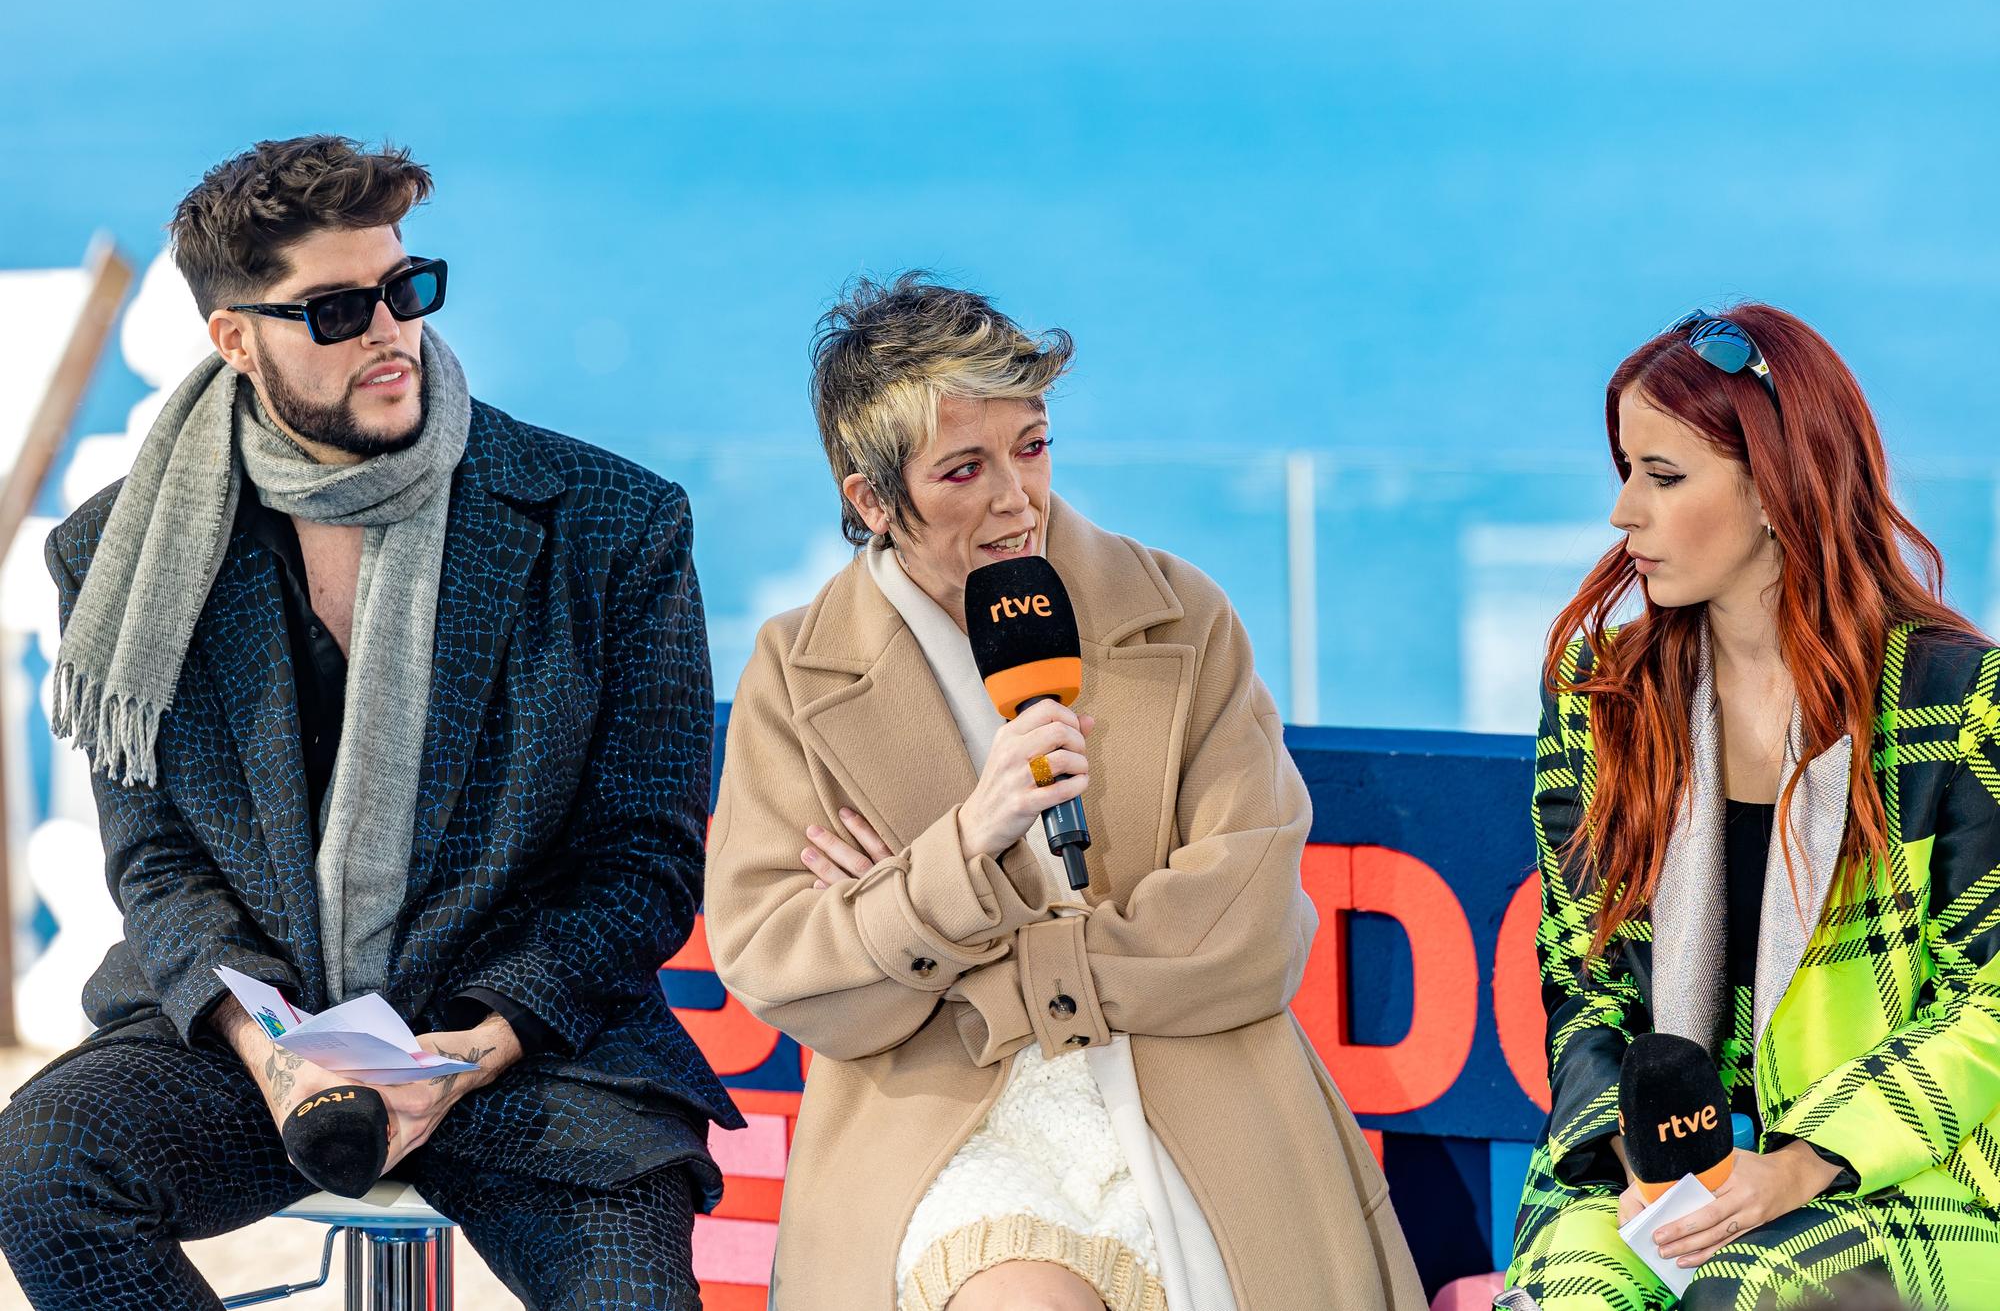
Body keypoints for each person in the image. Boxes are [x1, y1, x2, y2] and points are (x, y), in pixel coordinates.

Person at [0, 135, 739, 1310]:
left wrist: (478, 1043)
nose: (389, 331)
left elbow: (643, 865)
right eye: (336, 311)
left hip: (530, 1046)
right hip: (257, 1048)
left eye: (405, 288)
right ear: (234, 339)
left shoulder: (614, 524)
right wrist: (275, 1052)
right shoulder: (116, 555)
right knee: (43, 1166)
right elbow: (157, 860)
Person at [704, 273, 1425, 1310]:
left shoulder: (1179, 613)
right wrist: (969, 840)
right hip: (940, 1132)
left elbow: (1249, 927)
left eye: (1030, 447)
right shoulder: (795, 669)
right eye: (963, 468)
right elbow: (788, 970)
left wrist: (932, 939)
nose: (1015, 496)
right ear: (870, 500)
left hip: (1196, 1099)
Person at [1500, 305, 2000, 1309]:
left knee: (1743, 1291)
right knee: (1565, 1297)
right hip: (1652, 1165)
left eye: (1663, 475)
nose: (1621, 512)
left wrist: (1800, 1160)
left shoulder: (1954, 696)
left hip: (1898, 1167)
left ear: (1776, 488)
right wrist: (1632, 1153)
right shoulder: (1600, 693)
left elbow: (1982, 1004)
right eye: (1623, 469)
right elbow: (1580, 976)